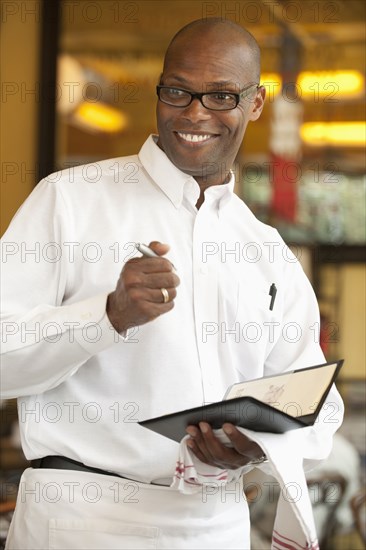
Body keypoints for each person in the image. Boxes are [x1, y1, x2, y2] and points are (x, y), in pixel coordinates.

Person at [1, 17, 343, 550]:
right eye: (178, 91)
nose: (195, 113)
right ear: (159, 89)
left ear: (255, 104)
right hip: (82, 520)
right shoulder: (69, 200)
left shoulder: (267, 249)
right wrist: (108, 316)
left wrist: (255, 445)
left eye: (221, 96)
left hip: (218, 525)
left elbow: (312, 400)